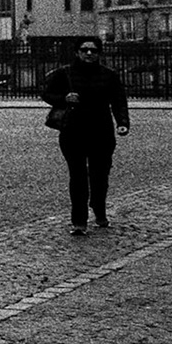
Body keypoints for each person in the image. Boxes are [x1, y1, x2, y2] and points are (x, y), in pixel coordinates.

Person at [42, 39, 130, 235]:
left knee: (100, 174)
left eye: (94, 50)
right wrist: (64, 98)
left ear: (99, 53)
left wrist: (122, 123)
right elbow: (46, 93)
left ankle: (99, 208)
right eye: (85, 50)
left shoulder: (109, 75)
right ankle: (79, 220)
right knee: (78, 175)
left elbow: (118, 101)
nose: (89, 54)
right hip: (74, 130)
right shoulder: (64, 73)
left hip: (101, 130)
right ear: (77, 52)